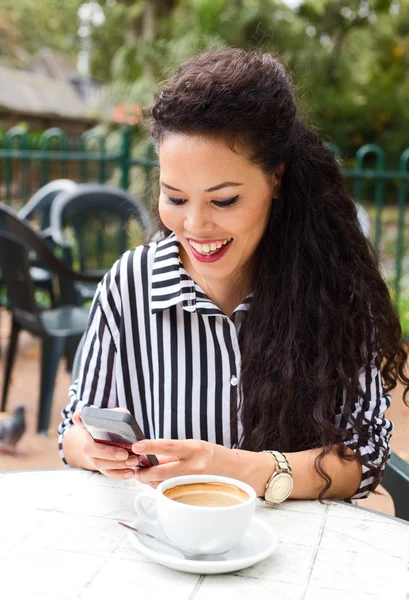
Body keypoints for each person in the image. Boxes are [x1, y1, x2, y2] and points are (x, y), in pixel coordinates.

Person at [58, 48, 409, 503]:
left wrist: (239, 469)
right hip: (167, 547)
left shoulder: (333, 288)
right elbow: (73, 432)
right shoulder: (130, 286)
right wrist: (94, 450)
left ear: (276, 179)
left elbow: (364, 456)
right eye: (175, 198)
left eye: (223, 200)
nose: (195, 226)